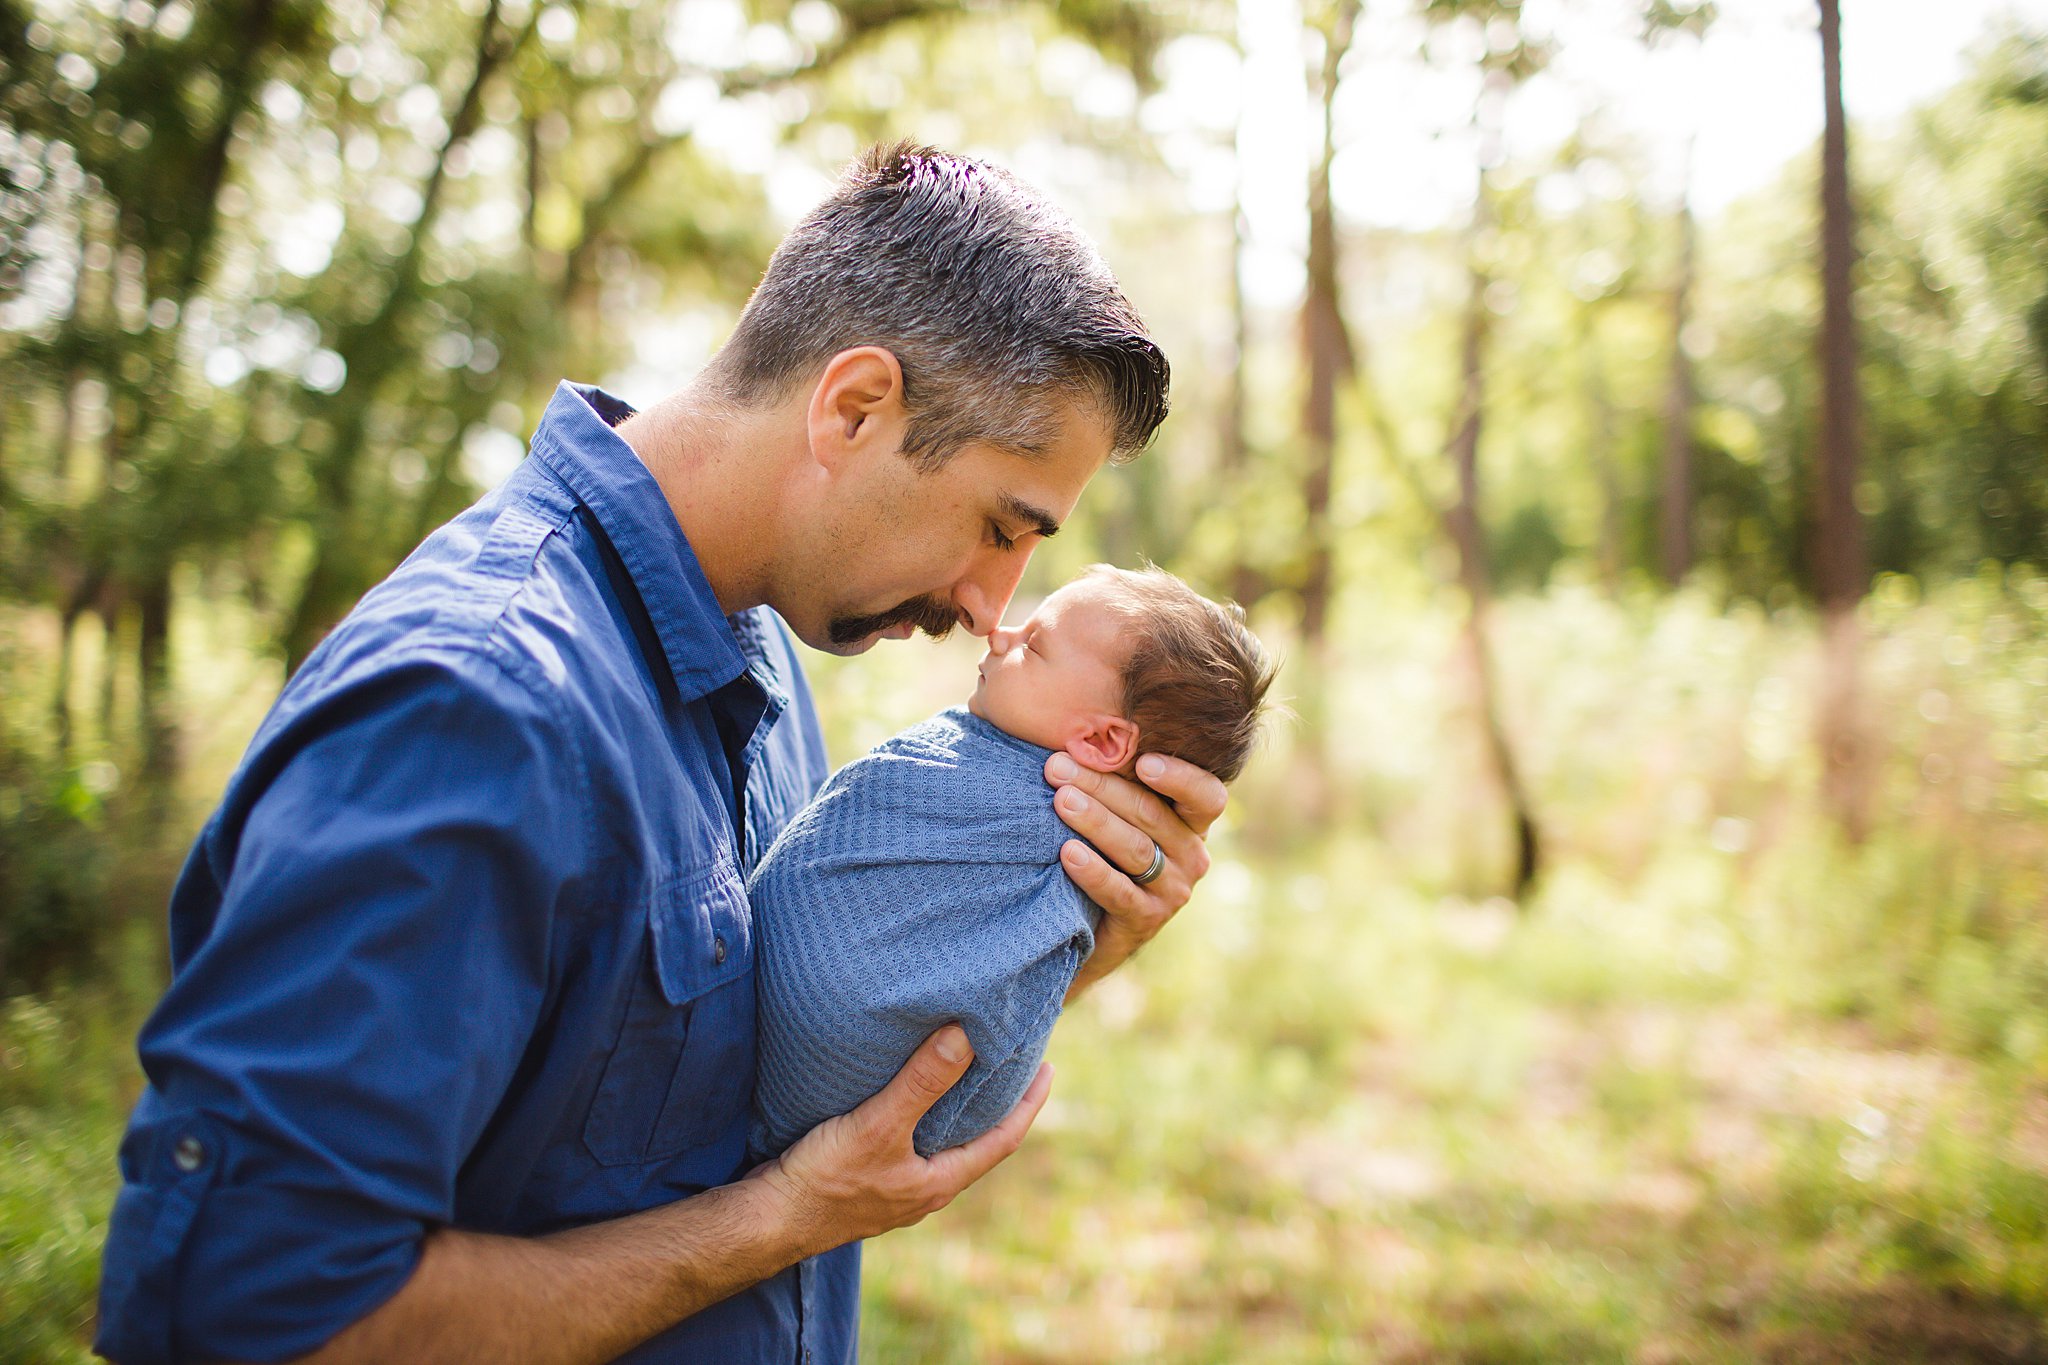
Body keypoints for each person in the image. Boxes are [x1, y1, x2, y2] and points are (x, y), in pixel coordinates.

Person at [93, 144, 1226, 1365]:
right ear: (852, 407)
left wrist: (1053, 942)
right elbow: (252, 1307)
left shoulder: (769, 650)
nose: (994, 603)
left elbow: (736, 1070)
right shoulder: (471, 710)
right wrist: (776, 1222)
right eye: (1001, 529)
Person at [750, 564, 1275, 1162]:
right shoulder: (1000, 777)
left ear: (1102, 743)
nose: (1000, 634)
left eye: (1034, 644)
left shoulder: (1051, 825)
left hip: (841, 1070)